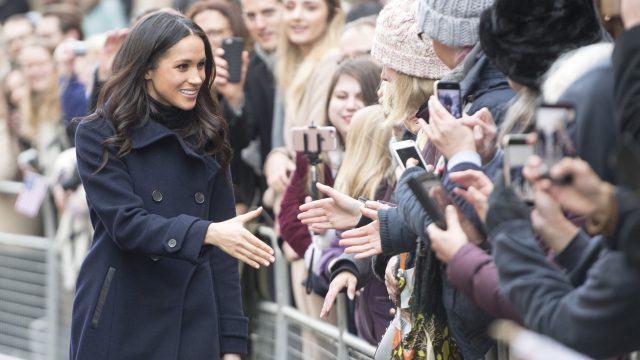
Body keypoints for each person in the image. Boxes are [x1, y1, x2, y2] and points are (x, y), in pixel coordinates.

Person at [70, 12, 274, 359]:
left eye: (202, 65)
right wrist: (206, 233)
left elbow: (225, 258)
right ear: (147, 67)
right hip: (121, 313)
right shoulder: (99, 133)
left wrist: (233, 344)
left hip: (193, 320)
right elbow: (126, 224)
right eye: (182, 67)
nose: (197, 78)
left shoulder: (210, 133)